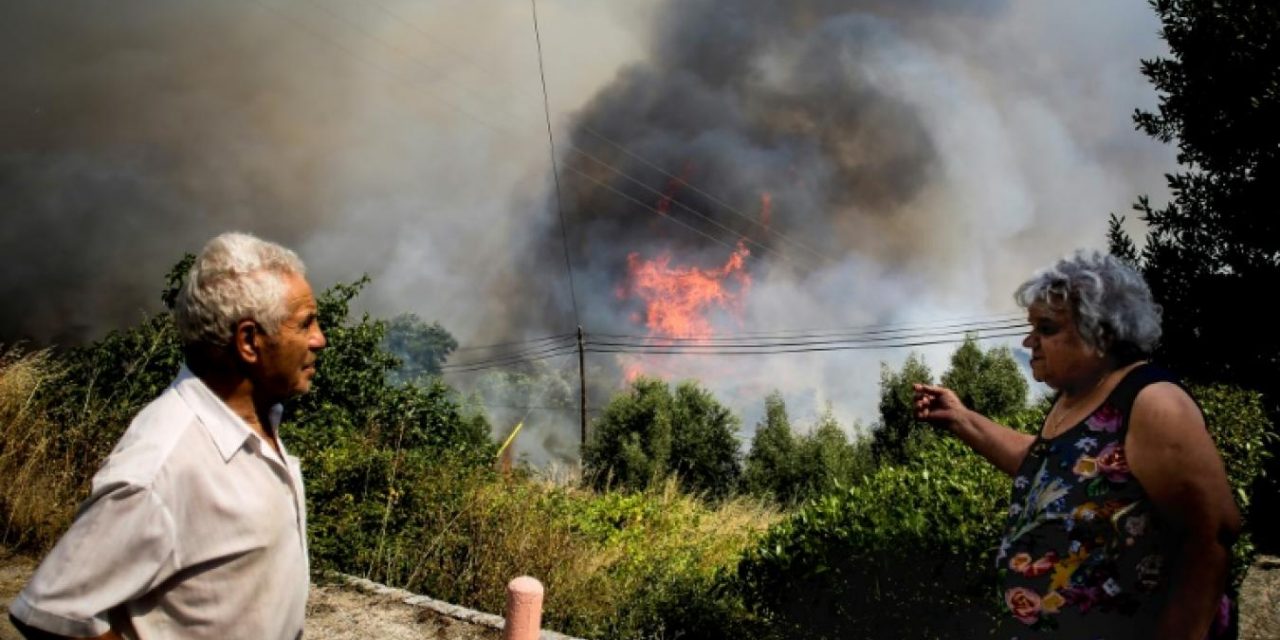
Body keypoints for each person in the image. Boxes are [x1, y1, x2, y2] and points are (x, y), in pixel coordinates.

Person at [8, 232, 326, 639]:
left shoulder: (255, 426)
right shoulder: (163, 465)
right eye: (305, 323)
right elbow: (51, 611)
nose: (320, 339)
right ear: (249, 341)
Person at [914, 249, 1240, 639]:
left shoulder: (1153, 403)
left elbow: (1211, 536)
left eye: (1047, 329)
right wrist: (961, 418)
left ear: (1101, 332)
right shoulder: (1076, 398)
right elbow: (1050, 468)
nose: (1029, 341)